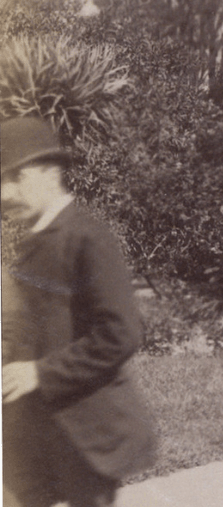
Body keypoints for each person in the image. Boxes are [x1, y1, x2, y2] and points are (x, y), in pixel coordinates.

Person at [2, 117, 157, 507]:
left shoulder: (88, 237)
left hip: (87, 433)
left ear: (48, 173)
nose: (4, 193)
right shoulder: (32, 246)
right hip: (34, 430)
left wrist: (40, 373)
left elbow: (120, 335)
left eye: (13, 178)